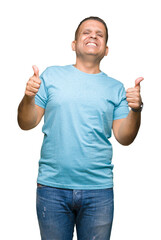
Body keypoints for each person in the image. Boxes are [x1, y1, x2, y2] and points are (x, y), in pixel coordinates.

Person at [17, 16, 143, 240]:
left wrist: (136, 110)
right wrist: (28, 97)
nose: (93, 35)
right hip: (52, 187)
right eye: (86, 32)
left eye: (100, 34)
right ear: (74, 45)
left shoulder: (116, 89)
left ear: (106, 50)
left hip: (98, 190)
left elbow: (124, 137)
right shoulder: (50, 76)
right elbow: (26, 123)